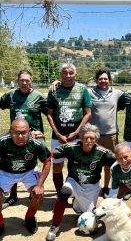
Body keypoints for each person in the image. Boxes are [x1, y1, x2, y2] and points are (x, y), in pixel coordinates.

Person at [45, 123, 115, 241]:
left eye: (92, 138)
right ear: (81, 138)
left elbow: (119, 159)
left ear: (96, 139)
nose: (88, 140)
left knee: (89, 216)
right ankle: (54, 226)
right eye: (86, 138)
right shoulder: (71, 147)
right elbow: (51, 154)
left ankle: (77, 204)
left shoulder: (103, 152)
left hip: (91, 187)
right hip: (74, 182)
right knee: (63, 194)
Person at [0, 119, 51, 241]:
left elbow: (47, 162)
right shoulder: (1, 141)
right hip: (7, 172)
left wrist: (40, 185)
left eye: (24, 132)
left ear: (29, 131)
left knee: (38, 194)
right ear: (10, 132)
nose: (20, 136)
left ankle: (30, 217)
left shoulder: (36, 142)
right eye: (16, 133)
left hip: (29, 171)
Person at [0, 70, 47, 207]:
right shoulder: (11, 95)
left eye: (27, 80)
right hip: (16, 135)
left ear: (31, 81)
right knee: (12, 161)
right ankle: (12, 196)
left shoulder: (39, 96)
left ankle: (33, 192)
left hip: (34, 136)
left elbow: (52, 114)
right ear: (18, 81)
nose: (24, 83)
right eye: (22, 80)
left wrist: (43, 133)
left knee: (33, 162)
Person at [47, 63, 92, 194]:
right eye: (65, 72)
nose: (68, 75)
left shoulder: (82, 89)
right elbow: (49, 114)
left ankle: (75, 194)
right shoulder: (54, 90)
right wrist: (58, 134)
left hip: (77, 137)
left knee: (76, 166)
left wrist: (77, 132)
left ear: (75, 74)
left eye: (71, 73)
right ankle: (60, 195)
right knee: (57, 166)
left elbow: (88, 113)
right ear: (60, 74)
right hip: (58, 137)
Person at [88, 68, 124, 196]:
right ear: (96, 81)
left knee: (109, 163)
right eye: (100, 79)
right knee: (93, 162)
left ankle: (106, 187)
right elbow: (73, 86)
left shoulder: (117, 93)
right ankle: (93, 186)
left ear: (110, 80)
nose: (103, 81)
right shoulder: (89, 92)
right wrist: (58, 82)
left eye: (105, 79)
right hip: (94, 135)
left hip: (111, 135)